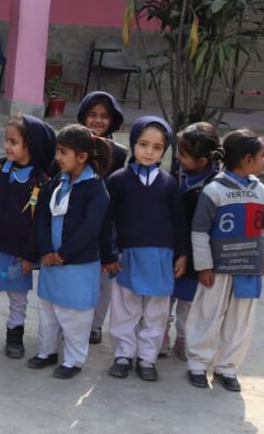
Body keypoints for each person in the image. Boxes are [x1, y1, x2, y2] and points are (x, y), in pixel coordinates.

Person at [186, 129, 264, 392]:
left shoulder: (260, 191)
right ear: (247, 159)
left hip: (248, 267)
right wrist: (204, 266)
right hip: (218, 268)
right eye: (262, 156)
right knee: (207, 314)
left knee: (241, 318)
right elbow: (199, 231)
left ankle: (227, 367)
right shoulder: (214, 190)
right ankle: (198, 364)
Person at [102, 117, 187, 381]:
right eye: (143, 144)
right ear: (133, 143)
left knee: (156, 312)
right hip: (126, 257)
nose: (149, 152)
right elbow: (107, 220)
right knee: (124, 309)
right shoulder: (118, 180)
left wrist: (182, 254)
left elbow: (179, 222)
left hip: (161, 259)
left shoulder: (169, 184)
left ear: (165, 150)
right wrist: (108, 254)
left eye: (157, 147)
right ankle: (123, 355)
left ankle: (147, 358)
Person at [28, 124, 111, 380]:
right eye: (57, 151)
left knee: (75, 315)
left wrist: (63, 254)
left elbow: (90, 228)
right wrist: (46, 250)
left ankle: (74, 360)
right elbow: (42, 217)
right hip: (51, 262)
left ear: (82, 157)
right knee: (48, 310)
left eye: (64, 152)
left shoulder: (95, 188)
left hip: (77, 265)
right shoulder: (57, 181)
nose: (57, 157)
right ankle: (47, 351)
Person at [0, 114, 56, 358]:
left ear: (31, 145)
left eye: (14, 142)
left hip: (21, 253)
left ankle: (15, 335)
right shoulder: (3, 167)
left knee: (18, 297)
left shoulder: (40, 180)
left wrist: (30, 254)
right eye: (7, 140)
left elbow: (40, 223)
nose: (7, 146)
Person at [166, 122, 222, 360]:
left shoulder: (215, 186)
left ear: (203, 161)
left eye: (184, 155)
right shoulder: (175, 176)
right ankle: (159, 337)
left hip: (196, 255)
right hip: (170, 248)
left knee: (188, 304)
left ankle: (183, 339)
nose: (179, 159)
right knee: (163, 299)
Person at [76, 90, 128, 346]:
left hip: (107, 223)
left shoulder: (119, 153)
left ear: (113, 119)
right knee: (76, 275)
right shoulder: (72, 146)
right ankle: (74, 321)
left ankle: (95, 325)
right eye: (92, 114)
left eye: (104, 116)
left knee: (103, 278)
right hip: (76, 220)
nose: (97, 120)